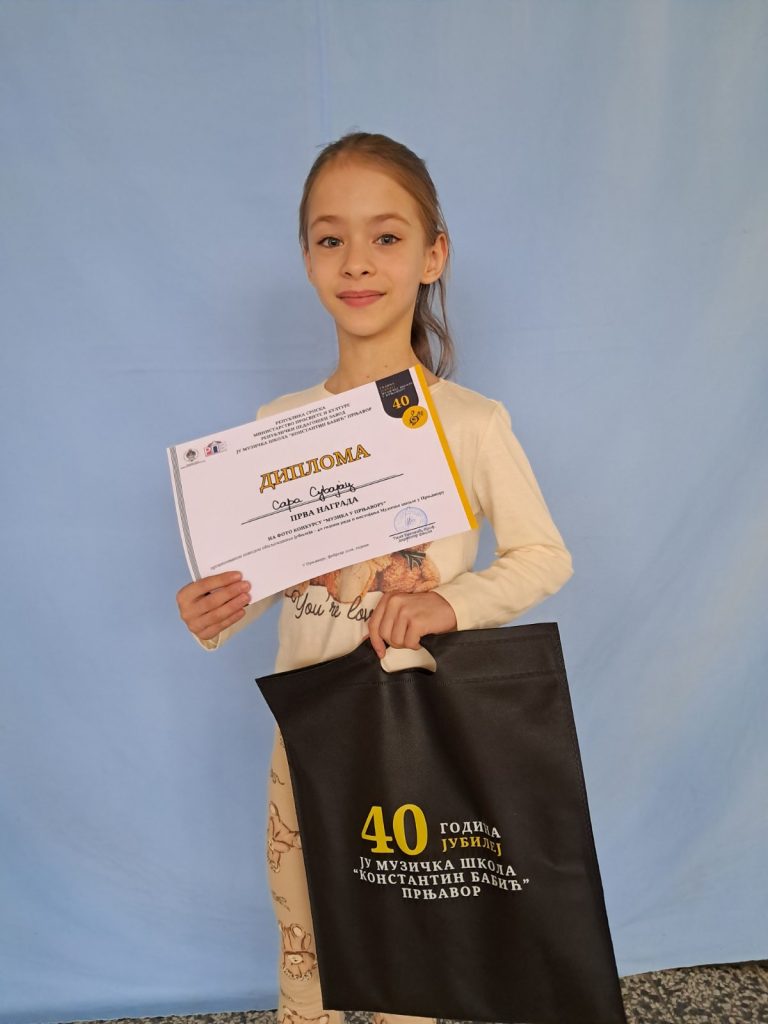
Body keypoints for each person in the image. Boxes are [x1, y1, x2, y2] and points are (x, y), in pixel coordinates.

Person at [176, 132, 574, 1024]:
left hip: (418, 734)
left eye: (387, 237)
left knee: (416, 960)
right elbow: (267, 578)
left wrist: (448, 602)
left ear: (433, 255)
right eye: (331, 238)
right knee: (306, 947)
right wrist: (216, 611)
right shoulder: (280, 425)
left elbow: (545, 554)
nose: (357, 261)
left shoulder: (470, 423)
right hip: (308, 734)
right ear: (308, 258)